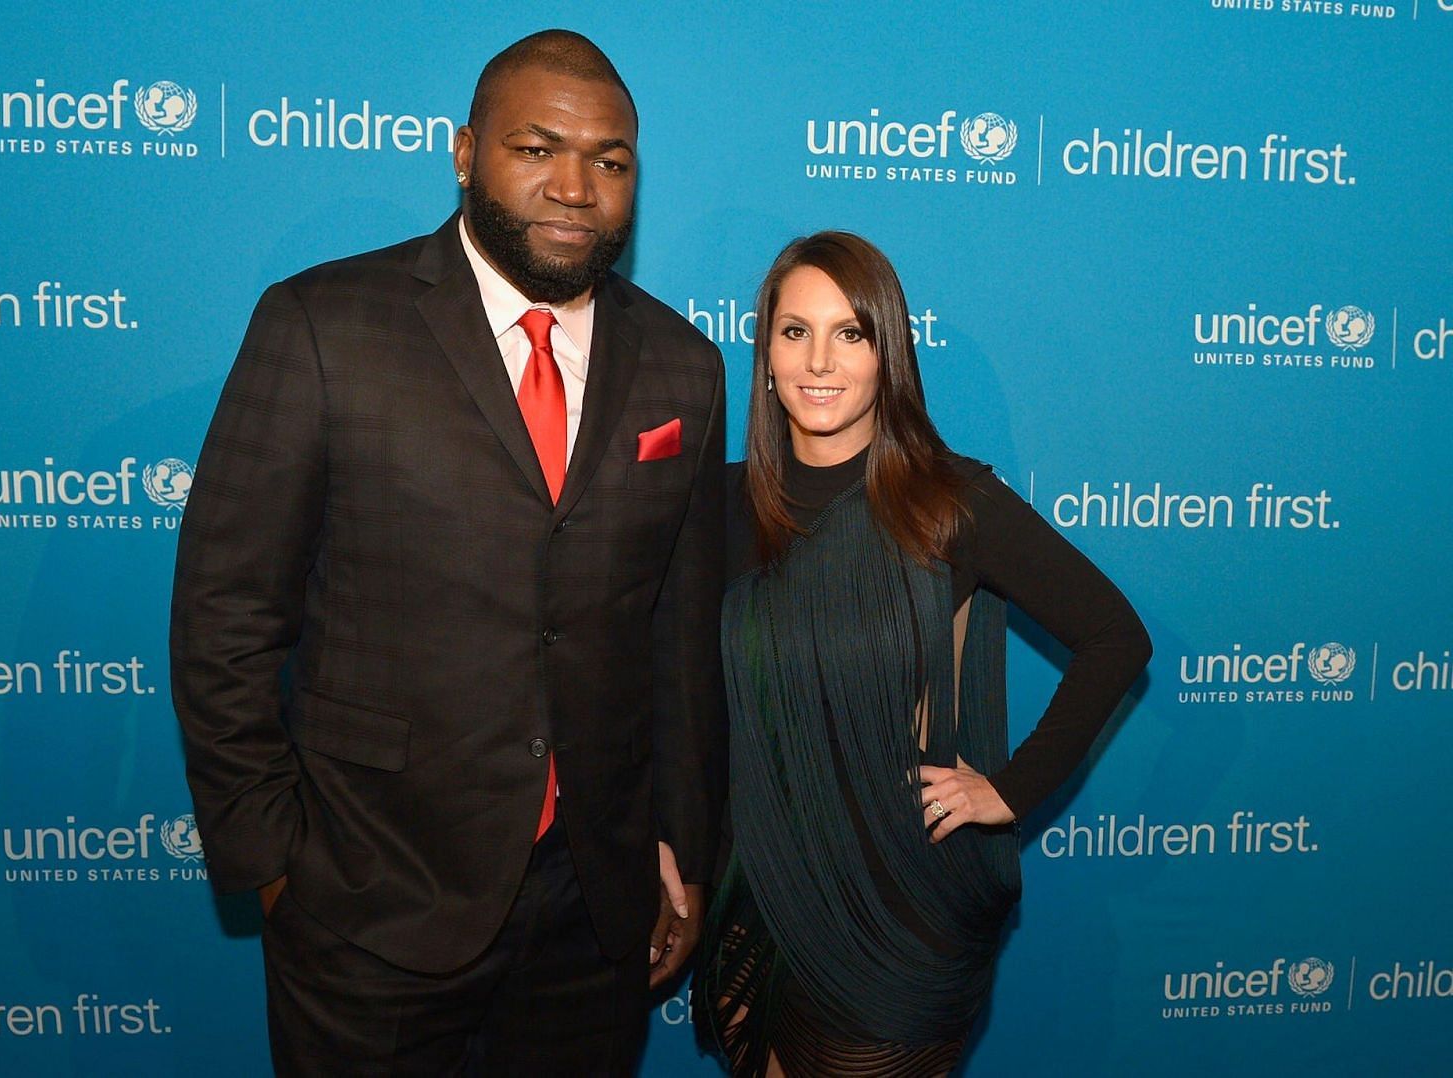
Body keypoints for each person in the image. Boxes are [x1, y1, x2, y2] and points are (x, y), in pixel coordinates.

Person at [169, 30, 726, 1075]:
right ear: (465, 153)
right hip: (367, 897)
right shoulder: (325, 325)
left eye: (610, 161)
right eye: (537, 148)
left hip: (592, 912)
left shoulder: (683, 368)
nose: (576, 187)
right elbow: (225, 614)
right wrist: (276, 864)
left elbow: (680, 643)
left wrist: (681, 853)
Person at [695, 232, 1151, 1076]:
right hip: (756, 898)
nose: (820, 360)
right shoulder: (721, 507)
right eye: (795, 332)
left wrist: (1008, 790)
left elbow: (1116, 639)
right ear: (764, 357)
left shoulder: (949, 505)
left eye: (851, 333)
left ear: (888, 355)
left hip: (898, 909)